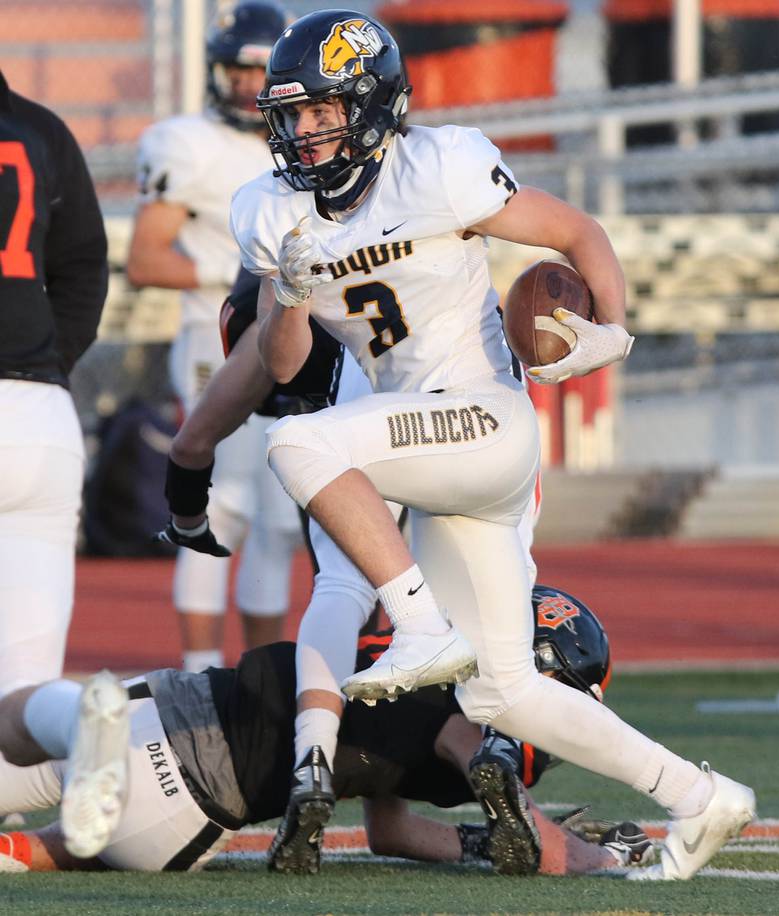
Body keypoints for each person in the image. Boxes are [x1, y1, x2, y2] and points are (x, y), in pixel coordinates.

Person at [228, 9, 756, 882]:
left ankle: (422, 627)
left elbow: (577, 233)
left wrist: (612, 331)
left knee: (301, 448)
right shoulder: (271, 209)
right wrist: (286, 294)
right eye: (294, 114)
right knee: (502, 690)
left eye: (324, 110)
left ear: (371, 103)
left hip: (483, 421)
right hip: (420, 444)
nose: (307, 131)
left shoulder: (440, 167)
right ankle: (703, 799)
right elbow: (284, 365)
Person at [0, 586, 651, 875]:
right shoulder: (466, 726)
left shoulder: (422, 666)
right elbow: (391, 828)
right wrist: (602, 855)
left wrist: (530, 829)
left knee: (23, 726)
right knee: (52, 846)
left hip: (168, 718)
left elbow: (481, 766)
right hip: (174, 825)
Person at [126, 1, 300, 672]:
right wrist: (246, 282)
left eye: (260, 70)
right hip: (215, 338)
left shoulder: (305, 139)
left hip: (291, 343)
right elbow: (146, 258)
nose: (246, 85)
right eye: (236, 69)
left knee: (281, 521)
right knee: (221, 507)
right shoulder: (186, 142)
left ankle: (260, 685)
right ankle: (200, 678)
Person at [0, 70, 108, 697]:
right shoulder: (40, 128)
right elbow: (85, 269)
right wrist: (45, 364)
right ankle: (78, 724)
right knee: (27, 682)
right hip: (40, 417)